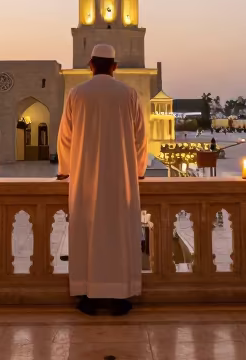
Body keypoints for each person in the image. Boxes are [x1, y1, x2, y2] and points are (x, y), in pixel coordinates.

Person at [57, 43, 148, 316]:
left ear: (91, 65)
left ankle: (87, 294)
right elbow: (140, 138)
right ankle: (120, 295)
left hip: (85, 178)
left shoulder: (76, 94)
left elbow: (65, 136)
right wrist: (139, 170)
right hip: (122, 178)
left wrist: (66, 169)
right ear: (115, 67)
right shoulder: (128, 94)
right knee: (119, 235)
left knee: (87, 234)